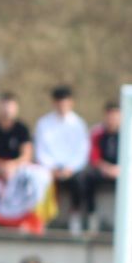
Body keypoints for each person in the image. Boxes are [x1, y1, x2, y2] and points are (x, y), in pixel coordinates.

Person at [34, 86, 91, 232]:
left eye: (65, 102)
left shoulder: (79, 124)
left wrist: (70, 168)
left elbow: (82, 152)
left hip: (72, 168)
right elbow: (40, 150)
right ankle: (45, 218)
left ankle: (75, 216)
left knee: (80, 180)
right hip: (50, 168)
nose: (62, 106)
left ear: (71, 103)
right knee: (41, 179)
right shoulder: (43, 123)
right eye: (59, 102)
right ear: (54, 103)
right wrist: (51, 167)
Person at [74, 102, 123, 231]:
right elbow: (94, 157)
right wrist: (106, 168)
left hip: (121, 171)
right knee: (83, 177)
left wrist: (120, 169)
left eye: (115, 116)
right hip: (103, 170)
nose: (112, 120)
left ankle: (127, 217)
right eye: (110, 116)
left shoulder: (128, 134)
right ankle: (91, 215)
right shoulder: (98, 133)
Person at [0, 160, 53, 233]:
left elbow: (34, 201)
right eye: (4, 165)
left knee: (35, 225)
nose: (6, 168)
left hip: (23, 215)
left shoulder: (28, 176)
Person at [0, 94, 32, 169]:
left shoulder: (22, 128)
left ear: (16, 108)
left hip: (18, 166)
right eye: (4, 106)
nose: (7, 110)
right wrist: (2, 165)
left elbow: (27, 155)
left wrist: (12, 165)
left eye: (10, 107)